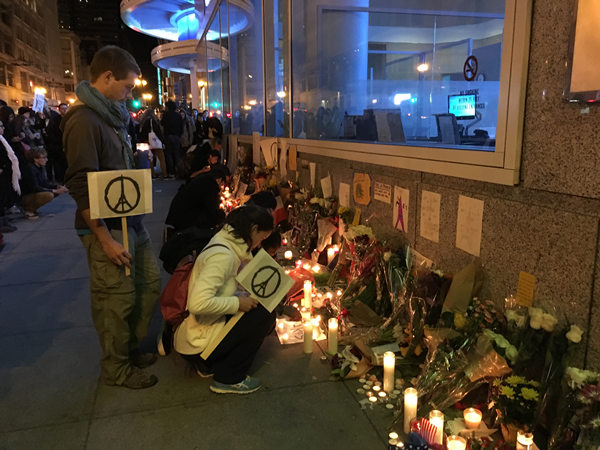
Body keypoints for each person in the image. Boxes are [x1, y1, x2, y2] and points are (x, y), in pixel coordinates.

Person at [62, 45, 161, 389]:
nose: (130, 93)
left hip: (130, 221)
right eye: (128, 86)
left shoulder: (111, 116)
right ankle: (116, 367)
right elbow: (79, 181)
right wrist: (103, 237)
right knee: (115, 299)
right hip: (105, 228)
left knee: (148, 285)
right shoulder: (83, 120)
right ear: (107, 77)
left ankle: (129, 349)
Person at [174, 205, 275, 394]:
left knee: (258, 305)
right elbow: (198, 303)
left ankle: (210, 364)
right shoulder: (223, 256)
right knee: (264, 314)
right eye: (262, 238)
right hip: (198, 341)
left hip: (201, 333)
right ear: (253, 230)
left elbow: (223, 290)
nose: (260, 244)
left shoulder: (226, 241)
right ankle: (229, 377)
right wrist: (239, 303)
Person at [20, 147, 68, 218]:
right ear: (35, 159)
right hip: (25, 197)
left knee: (55, 192)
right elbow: (34, 188)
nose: (46, 160)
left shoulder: (38, 168)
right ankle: (28, 210)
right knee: (49, 195)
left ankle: (32, 209)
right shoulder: (30, 169)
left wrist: (57, 187)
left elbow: (44, 183)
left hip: (30, 194)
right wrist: (54, 190)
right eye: (44, 157)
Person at [161, 100, 183, 178]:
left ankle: (171, 171)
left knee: (169, 154)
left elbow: (162, 124)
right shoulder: (178, 115)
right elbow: (181, 126)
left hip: (168, 136)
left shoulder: (166, 115)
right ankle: (178, 170)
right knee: (177, 154)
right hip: (176, 136)